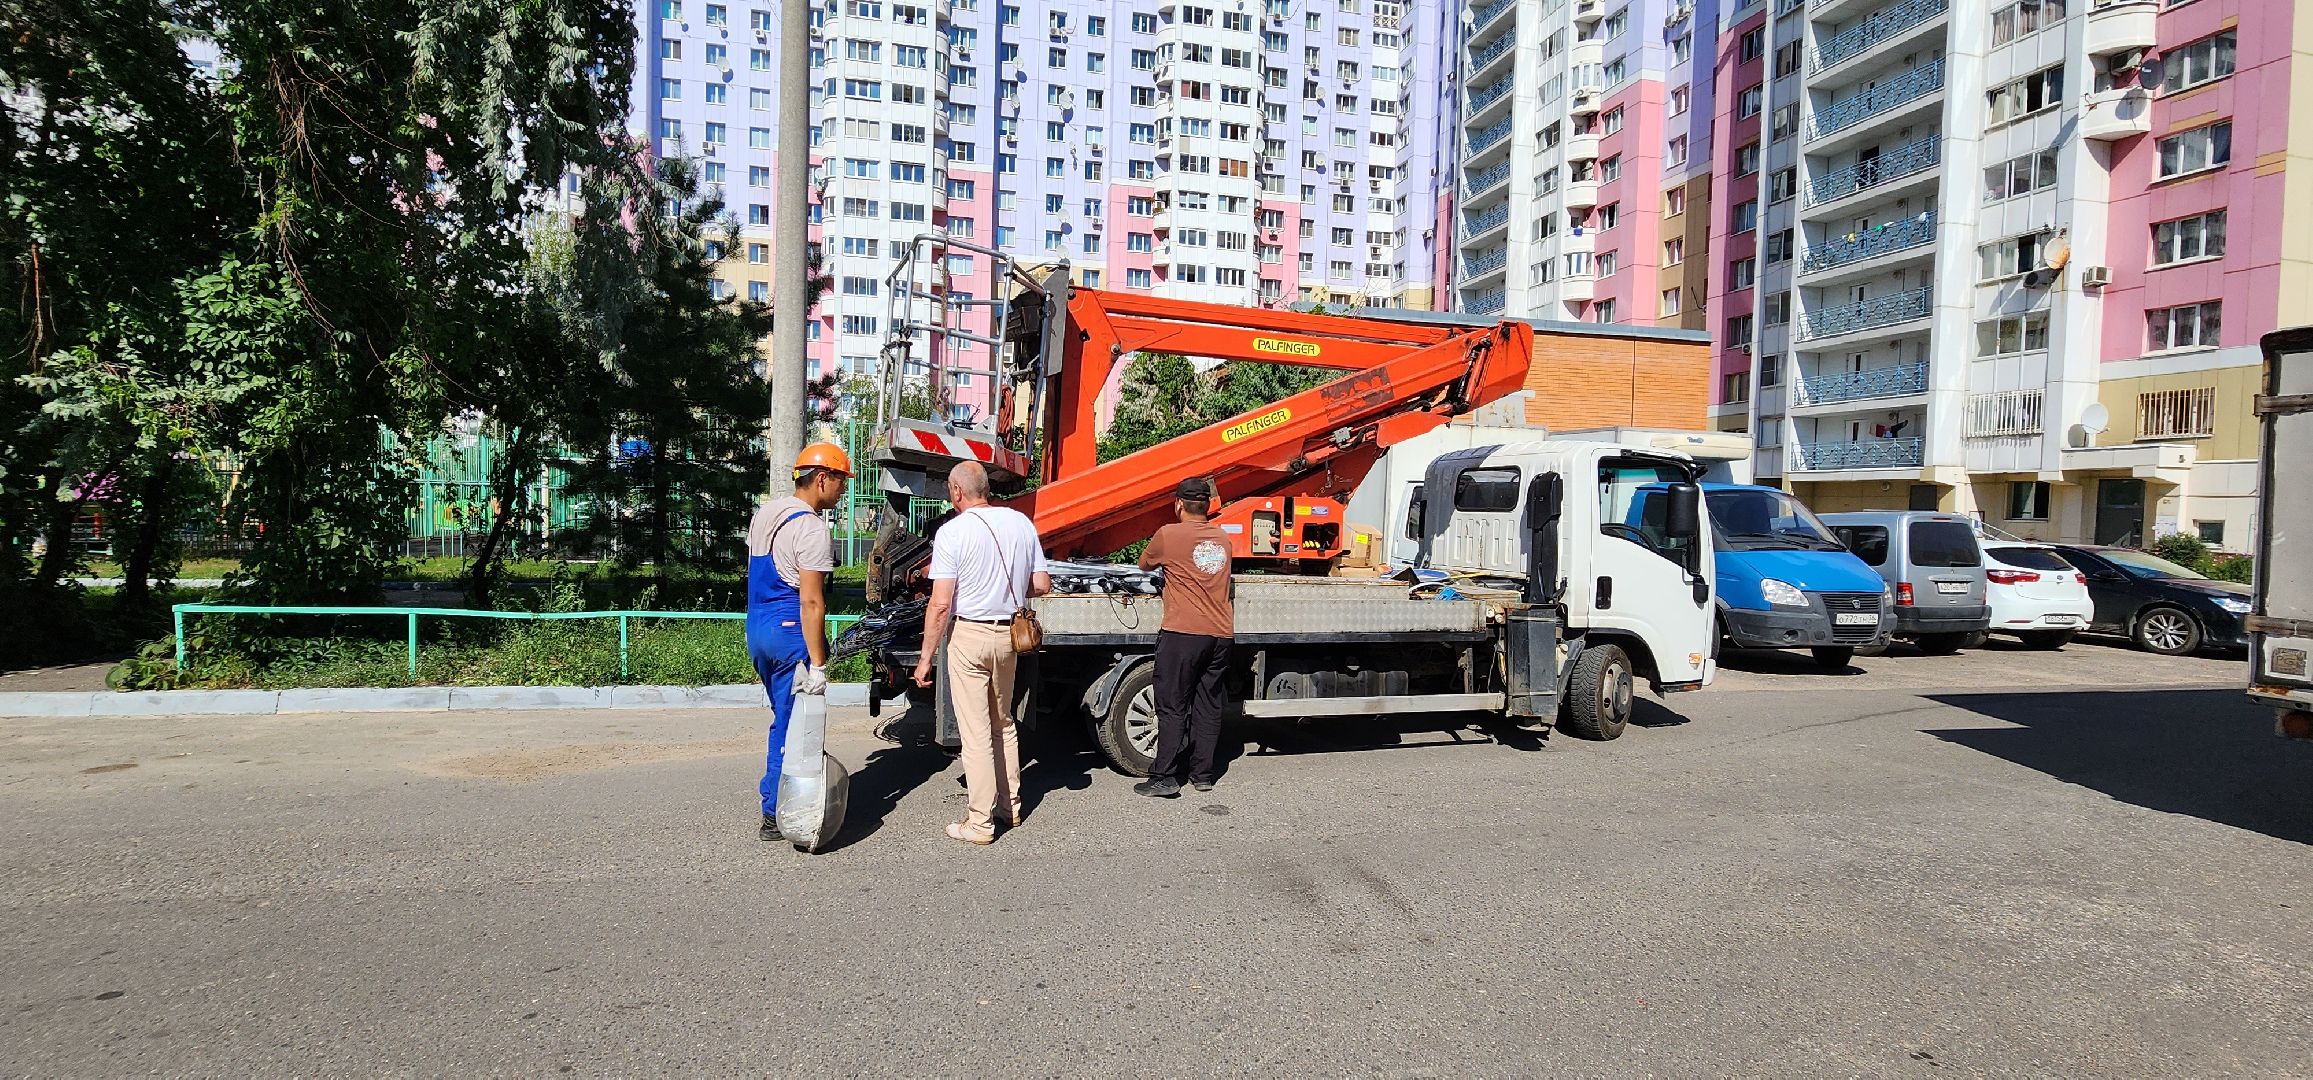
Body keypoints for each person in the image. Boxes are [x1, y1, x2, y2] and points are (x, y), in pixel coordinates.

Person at [912, 461, 1050, 845]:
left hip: (969, 636)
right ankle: (1012, 807)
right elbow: (1041, 583)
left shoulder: (952, 533)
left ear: (957, 491)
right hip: (1009, 637)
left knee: (975, 733)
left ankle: (980, 822)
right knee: (1002, 722)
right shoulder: (1021, 523)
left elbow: (940, 605)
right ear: (985, 488)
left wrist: (925, 659)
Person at [748, 443, 851, 842]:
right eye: (840, 481)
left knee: (783, 720)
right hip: (790, 631)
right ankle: (778, 814)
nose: (842, 490)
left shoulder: (767, 513)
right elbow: (811, 601)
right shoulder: (811, 528)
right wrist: (819, 663)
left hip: (758, 629)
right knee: (793, 728)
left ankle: (780, 802)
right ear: (822, 478)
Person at [1134, 478, 1235, 798]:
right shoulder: (1222, 539)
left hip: (1182, 633)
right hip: (1220, 634)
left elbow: (1144, 564)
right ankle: (1202, 774)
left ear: (1178, 504)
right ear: (1207, 506)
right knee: (1207, 704)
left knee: (1173, 705)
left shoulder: (1168, 535)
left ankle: (1164, 775)